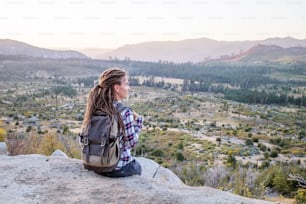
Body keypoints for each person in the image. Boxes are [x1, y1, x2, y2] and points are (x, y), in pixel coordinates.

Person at [81, 67, 143, 177]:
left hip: (96, 165)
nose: (129, 88)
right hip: (117, 167)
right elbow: (131, 142)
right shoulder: (124, 112)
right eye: (127, 84)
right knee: (138, 167)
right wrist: (138, 122)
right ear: (117, 88)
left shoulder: (95, 108)